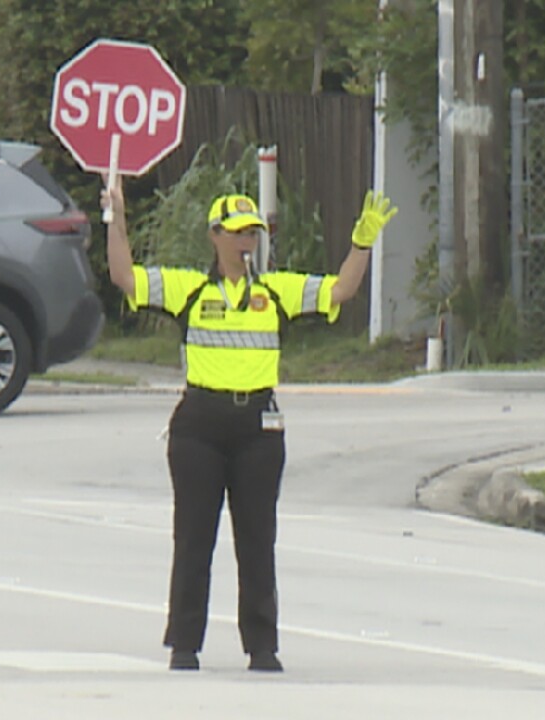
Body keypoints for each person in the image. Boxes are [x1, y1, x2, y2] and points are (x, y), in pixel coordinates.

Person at [101, 181, 397, 672]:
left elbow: (341, 289)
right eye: (237, 233)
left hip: (258, 427)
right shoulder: (190, 289)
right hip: (200, 424)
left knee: (258, 539)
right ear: (215, 235)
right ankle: (185, 645)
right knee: (194, 538)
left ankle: (262, 647)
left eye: (252, 233)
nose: (246, 242)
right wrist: (118, 219)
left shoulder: (273, 291)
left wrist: (361, 242)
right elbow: (124, 278)